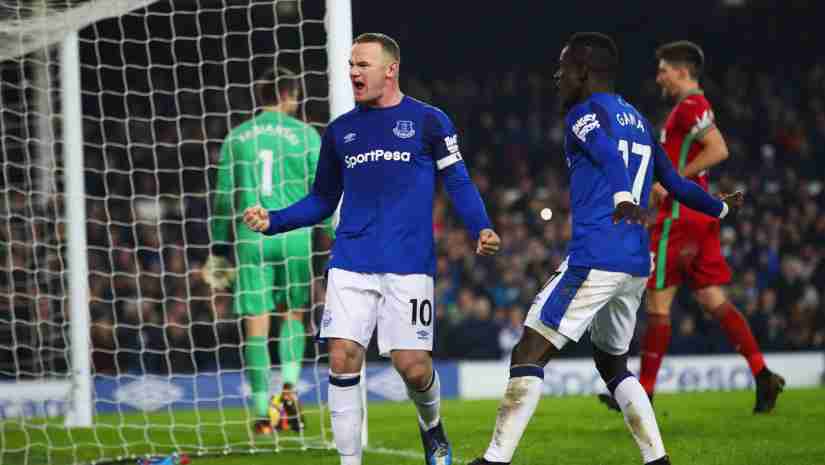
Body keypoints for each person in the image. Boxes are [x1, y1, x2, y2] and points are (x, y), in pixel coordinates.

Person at [468, 32, 743, 465]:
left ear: (583, 71)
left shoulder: (583, 113)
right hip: (635, 262)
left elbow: (608, 155)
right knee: (613, 366)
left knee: (529, 350)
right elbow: (674, 183)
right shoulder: (639, 119)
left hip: (597, 255)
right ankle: (658, 460)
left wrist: (621, 197)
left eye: (564, 67)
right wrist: (719, 208)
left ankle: (494, 460)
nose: (557, 76)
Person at [243, 33, 501, 465]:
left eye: (362, 64)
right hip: (351, 259)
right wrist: (275, 220)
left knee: (413, 366)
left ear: (390, 69)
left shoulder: (429, 121)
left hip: (408, 263)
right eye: (351, 64)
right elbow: (322, 199)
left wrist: (481, 226)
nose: (353, 72)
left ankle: (432, 427)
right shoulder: (340, 131)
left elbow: (457, 180)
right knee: (342, 357)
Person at [600, 41, 784, 414]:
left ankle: (644, 392)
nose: (659, 78)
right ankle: (763, 374)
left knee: (658, 302)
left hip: (679, 218)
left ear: (682, 71)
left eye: (663, 70)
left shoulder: (690, 106)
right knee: (712, 298)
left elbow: (718, 148)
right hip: (697, 217)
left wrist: (672, 181)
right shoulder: (690, 108)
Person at [207, 66, 322, 435]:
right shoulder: (306, 135)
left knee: (256, 323)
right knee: (293, 314)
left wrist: (219, 246)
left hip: (251, 236)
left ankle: (261, 411)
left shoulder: (237, 137)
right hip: (294, 235)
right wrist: (335, 234)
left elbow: (223, 197)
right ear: (288, 94)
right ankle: (288, 389)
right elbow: (323, 191)